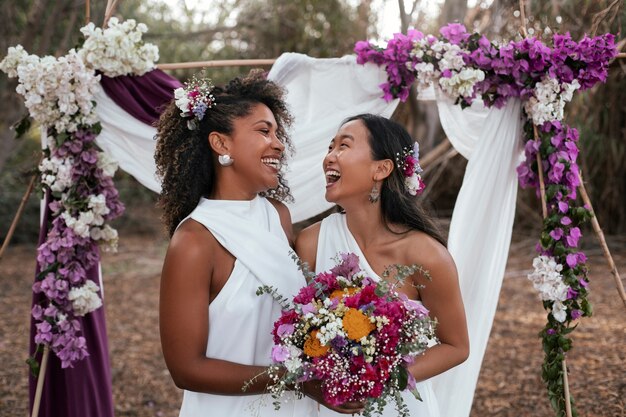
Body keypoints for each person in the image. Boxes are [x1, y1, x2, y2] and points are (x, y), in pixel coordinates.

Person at [155, 70, 358, 417]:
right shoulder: (194, 241)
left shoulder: (277, 215)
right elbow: (185, 368)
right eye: (264, 131)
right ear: (221, 144)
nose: (278, 143)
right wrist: (296, 379)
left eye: (278, 133)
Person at [296, 113, 470, 417]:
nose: (329, 158)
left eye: (344, 146)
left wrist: (380, 378)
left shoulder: (426, 254)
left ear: (382, 168)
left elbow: (456, 346)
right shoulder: (310, 242)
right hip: (330, 408)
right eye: (330, 147)